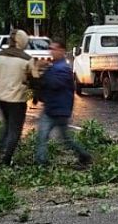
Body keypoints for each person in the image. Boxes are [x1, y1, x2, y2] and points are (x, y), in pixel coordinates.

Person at [34, 40, 92, 169]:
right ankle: (84, 156)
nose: (51, 51)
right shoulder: (55, 66)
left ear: (61, 51)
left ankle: (41, 163)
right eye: (50, 49)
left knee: (45, 136)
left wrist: (41, 73)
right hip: (54, 107)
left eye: (54, 49)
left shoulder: (63, 68)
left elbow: (54, 84)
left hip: (58, 109)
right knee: (61, 138)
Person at [0, 30, 38, 166]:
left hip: (0, 98)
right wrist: (32, 97)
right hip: (17, 99)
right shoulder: (27, 59)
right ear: (23, 42)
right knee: (15, 130)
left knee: (7, 124)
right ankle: (7, 159)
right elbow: (34, 81)